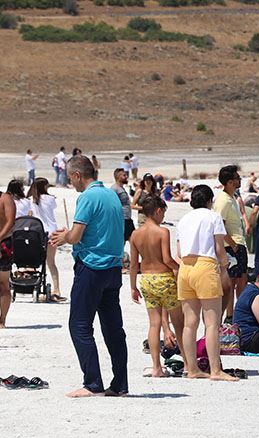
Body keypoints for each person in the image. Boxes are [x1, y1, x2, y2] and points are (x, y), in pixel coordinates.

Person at [49, 155, 128, 397]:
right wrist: (72, 234)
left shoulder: (87, 197)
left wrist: (65, 237)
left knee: (80, 325)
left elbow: (76, 236)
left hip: (92, 267)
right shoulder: (111, 195)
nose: (72, 183)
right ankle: (120, 384)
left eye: (71, 178)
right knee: (113, 328)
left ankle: (92, 383)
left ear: (76, 175)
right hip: (113, 268)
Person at [175, 185, 237, 382]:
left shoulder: (184, 220)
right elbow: (219, 248)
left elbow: (178, 251)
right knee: (211, 323)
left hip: (185, 267)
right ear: (210, 200)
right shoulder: (213, 217)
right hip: (205, 266)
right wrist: (226, 265)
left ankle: (192, 368)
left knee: (189, 324)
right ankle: (215, 370)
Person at [129, 196, 185, 377]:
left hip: (146, 279)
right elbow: (167, 259)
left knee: (154, 324)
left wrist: (132, 287)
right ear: (158, 211)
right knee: (179, 324)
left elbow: (133, 264)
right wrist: (180, 269)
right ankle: (188, 363)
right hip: (163, 278)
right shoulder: (162, 232)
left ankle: (156, 368)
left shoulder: (135, 234)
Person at [213, 165, 247, 320]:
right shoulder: (223, 201)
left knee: (241, 280)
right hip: (231, 246)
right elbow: (219, 226)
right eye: (236, 178)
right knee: (231, 283)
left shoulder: (232, 198)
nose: (239, 180)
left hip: (238, 243)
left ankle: (238, 312)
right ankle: (230, 315)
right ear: (229, 182)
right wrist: (232, 244)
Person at [27, 178, 65, 302]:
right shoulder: (50, 199)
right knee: (51, 263)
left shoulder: (31, 199)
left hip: (37, 233)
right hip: (51, 233)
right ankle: (57, 289)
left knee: (34, 261)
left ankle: (31, 283)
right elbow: (52, 207)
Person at [0, 185, 15, 328]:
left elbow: (10, 222)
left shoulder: (5, 198)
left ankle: (2, 319)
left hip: (3, 243)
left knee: (3, 284)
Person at [110, 168, 135, 244]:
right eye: (124, 175)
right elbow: (111, 205)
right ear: (118, 177)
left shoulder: (121, 188)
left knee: (134, 241)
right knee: (121, 243)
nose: (126, 176)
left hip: (127, 219)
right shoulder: (114, 189)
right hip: (121, 220)